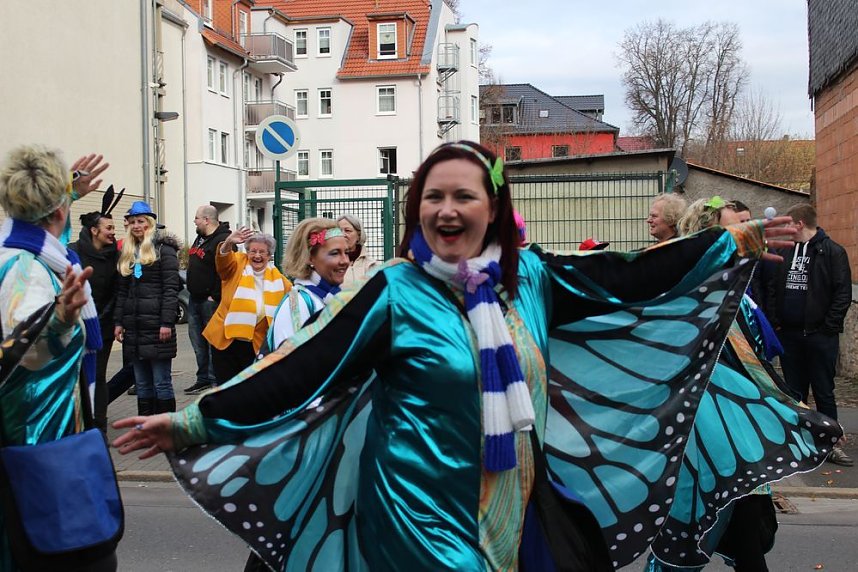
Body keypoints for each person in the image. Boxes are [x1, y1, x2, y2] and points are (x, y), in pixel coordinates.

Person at [115, 141, 795, 571]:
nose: (446, 208)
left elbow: (632, 277)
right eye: (433, 196)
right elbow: (302, 366)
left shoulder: (531, 279)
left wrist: (735, 242)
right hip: (413, 512)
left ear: (491, 208)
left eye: (463, 195)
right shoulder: (394, 291)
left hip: (514, 503)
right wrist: (195, 420)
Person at [0, 144, 117, 571]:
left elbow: (47, 234)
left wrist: (67, 190)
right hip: (37, 445)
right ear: (60, 213)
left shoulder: (17, 250)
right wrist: (61, 320)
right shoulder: (27, 271)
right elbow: (20, 356)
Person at [767, 203, 853, 466]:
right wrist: (776, 322)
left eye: (788, 224)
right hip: (789, 335)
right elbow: (773, 288)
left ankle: (830, 444)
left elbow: (842, 294)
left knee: (824, 391)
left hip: (820, 336)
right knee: (794, 393)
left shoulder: (832, 252)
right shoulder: (785, 251)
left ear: (799, 224)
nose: (785, 229)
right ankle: (799, 443)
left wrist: (827, 328)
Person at [113, 201, 181, 415]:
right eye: (132, 222)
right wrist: (118, 322)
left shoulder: (164, 251)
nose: (136, 226)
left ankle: (166, 426)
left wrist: (166, 323)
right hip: (135, 329)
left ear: (149, 224)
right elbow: (122, 292)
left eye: (140, 221)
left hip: (157, 328)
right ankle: (145, 424)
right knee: (142, 383)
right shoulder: (128, 253)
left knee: (161, 382)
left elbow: (171, 289)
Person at [202, 227, 291, 384]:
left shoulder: (280, 280)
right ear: (247, 252)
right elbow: (222, 263)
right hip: (226, 340)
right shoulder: (237, 263)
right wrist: (228, 242)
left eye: (262, 252)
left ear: (269, 255)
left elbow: (292, 304)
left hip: (255, 344)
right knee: (226, 388)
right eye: (253, 251)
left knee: (250, 388)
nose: (257, 255)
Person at [68, 207, 119, 431]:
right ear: (94, 231)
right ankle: (77, 425)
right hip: (74, 326)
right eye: (109, 227)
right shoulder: (73, 253)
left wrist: (104, 318)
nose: (113, 232)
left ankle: (99, 428)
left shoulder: (115, 257)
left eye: (114, 227)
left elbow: (118, 292)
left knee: (98, 376)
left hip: (102, 327)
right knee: (75, 376)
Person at [269, 218, 349, 349]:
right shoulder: (297, 304)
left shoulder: (335, 297)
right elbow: (290, 359)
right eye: (335, 253)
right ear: (309, 257)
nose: (345, 261)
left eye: (346, 252)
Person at [184, 205, 231, 394]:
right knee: (197, 342)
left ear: (206, 220)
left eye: (196, 218)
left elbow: (227, 270)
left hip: (210, 302)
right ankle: (202, 378)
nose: (194, 221)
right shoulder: (200, 238)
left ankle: (214, 379)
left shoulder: (223, 240)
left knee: (213, 343)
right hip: (195, 299)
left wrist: (215, 295)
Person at [337, 214, 380, 286]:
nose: (343, 234)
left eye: (347, 230)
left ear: (359, 235)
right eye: (339, 231)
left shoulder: (371, 265)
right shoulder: (329, 264)